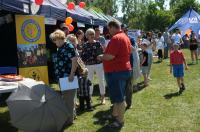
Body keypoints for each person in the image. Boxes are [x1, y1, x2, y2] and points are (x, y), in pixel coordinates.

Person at [97, 21, 132, 128]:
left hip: (117, 72)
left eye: (109, 28)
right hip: (123, 70)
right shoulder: (125, 37)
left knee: (119, 98)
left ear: (113, 27)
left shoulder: (116, 38)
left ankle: (120, 121)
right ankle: (115, 115)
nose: (108, 31)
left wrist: (101, 56)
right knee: (118, 96)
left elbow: (110, 56)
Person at [50, 29, 78, 125]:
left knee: (67, 100)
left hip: (68, 77)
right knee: (69, 98)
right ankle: (72, 115)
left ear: (60, 38)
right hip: (63, 76)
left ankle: (69, 120)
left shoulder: (68, 46)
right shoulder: (62, 47)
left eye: (55, 40)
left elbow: (74, 61)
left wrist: (71, 75)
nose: (54, 42)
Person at [81, 28, 106, 105]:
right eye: (90, 34)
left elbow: (102, 53)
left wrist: (101, 57)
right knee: (89, 82)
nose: (92, 35)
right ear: (87, 36)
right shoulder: (85, 45)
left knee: (101, 80)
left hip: (99, 64)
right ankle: (89, 97)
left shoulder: (98, 43)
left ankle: (102, 97)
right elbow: (83, 56)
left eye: (93, 34)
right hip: (89, 65)